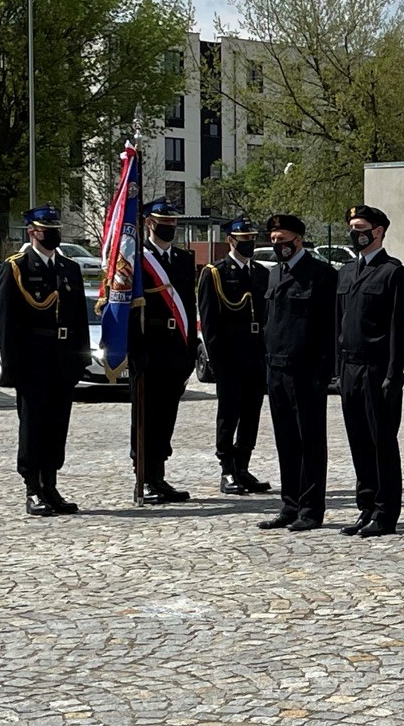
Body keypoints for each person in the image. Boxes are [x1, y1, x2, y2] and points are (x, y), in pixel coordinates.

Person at [0, 205, 89, 516]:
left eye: (56, 228)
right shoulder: (18, 267)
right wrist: (11, 366)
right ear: (32, 232)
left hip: (63, 359)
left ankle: (51, 484)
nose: (54, 233)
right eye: (47, 228)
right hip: (33, 361)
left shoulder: (68, 268)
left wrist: (81, 359)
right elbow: (7, 321)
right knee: (33, 426)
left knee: (57, 426)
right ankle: (33, 488)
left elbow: (78, 321)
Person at [334, 204, 404, 538]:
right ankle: (365, 506)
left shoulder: (393, 273)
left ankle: (385, 512)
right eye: (353, 226)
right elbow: (338, 323)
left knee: (381, 442)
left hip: (377, 369)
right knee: (358, 442)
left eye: (362, 226)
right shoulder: (346, 272)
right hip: (350, 368)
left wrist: (394, 374)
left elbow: (400, 328)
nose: (356, 232)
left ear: (379, 231)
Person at [258, 214, 337, 532]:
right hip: (276, 370)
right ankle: (289, 505)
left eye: (284, 240)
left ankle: (311, 508)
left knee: (310, 442)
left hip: (306, 372)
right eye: (274, 240)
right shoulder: (275, 273)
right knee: (286, 441)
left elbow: (330, 325)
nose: (278, 246)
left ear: (299, 240)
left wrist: (326, 371)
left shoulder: (319, 274)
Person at [195, 216, 273, 495]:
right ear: (231, 241)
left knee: (251, 414)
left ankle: (243, 466)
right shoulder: (215, 273)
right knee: (229, 415)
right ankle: (227, 469)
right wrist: (218, 363)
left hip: (256, 357)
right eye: (244, 240)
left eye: (252, 239)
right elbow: (210, 322)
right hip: (230, 358)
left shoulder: (262, 274)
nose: (249, 244)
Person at [132, 198, 198, 504]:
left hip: (174, 348)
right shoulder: (135, 259)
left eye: (173, 223)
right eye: (163, 222)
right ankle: (144, 475)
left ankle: (159, 474)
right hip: (149, 348)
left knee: (167, 415)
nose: (169, 227)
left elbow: (188, 304)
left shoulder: (183, 260)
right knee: (146, 415)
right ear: (148, 223)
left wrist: (189, 350)